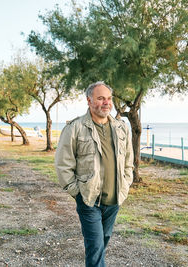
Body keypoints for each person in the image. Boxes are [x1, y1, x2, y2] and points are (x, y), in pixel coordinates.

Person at [55, 81, 134, 267]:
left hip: (114, 200)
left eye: (108, 98)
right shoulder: (75, 128)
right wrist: (77, 193)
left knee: (102, 243)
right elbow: (63, 164)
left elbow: (129, 161)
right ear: (89, 101)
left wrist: (126, 183)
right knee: (96, 247)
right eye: (100, 98)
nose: (106, 103)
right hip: (89, 200)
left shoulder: (122, 127)